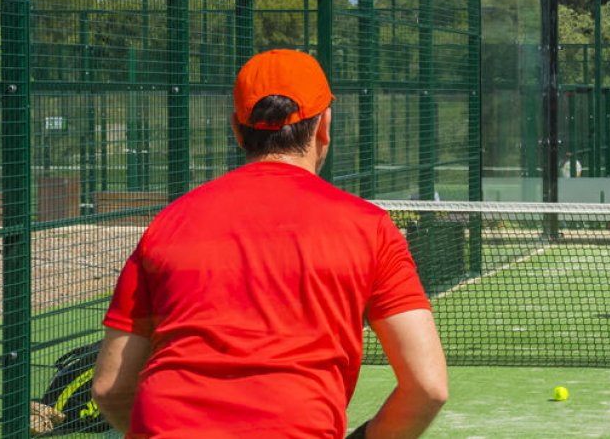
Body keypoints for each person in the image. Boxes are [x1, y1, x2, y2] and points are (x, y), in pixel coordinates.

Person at [91, 49, 447, 438]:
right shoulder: (370, 228)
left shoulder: (169, 222)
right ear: (324, 125)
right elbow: (427, 387)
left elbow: (111, 388)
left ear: (236, 129)